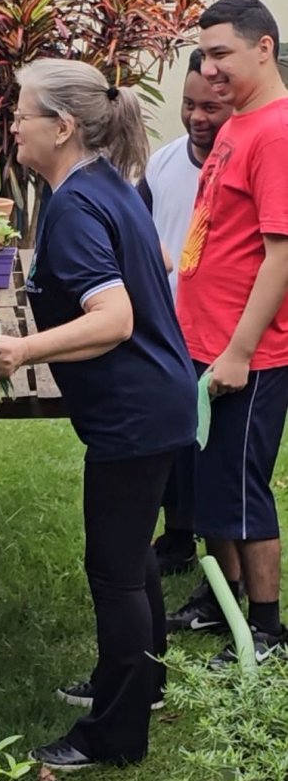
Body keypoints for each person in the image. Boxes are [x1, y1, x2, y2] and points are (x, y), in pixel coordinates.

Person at [0, 58, 196, 771]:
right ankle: (137, 687)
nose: (12, 125)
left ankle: (115, 735)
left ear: (63, 126)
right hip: (158, 401)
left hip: (133, 414)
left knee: (114, 571)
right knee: (131, 561)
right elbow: (156, 256)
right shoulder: (105, 184)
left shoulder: (76, 204)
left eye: (22, 114)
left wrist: (24, 349)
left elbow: (115, 316)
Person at [171, 0, 288, 659]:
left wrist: (240, 351)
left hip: (250, 353)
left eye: (221, 54)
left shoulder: (275, 131)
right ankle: (223, 604)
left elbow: (281, 253)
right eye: (205, 54)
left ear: (263, 47)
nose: (209, 70)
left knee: (242, 491)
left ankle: (268, 630)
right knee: (211, 487)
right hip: (202, 343)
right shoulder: (240, 123)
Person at [138, 49, 233, 577]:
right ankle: (176, 536)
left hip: (220, 332)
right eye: (188, 104)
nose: (197, 118)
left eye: (211, 108)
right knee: (171, 440)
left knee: (210, 449)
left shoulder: (247, 165)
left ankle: (218, 555)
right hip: (165, 326)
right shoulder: (164, 162)